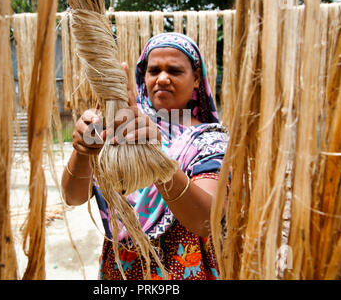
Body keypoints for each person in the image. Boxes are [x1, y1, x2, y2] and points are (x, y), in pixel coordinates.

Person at [61, 32, 228, 280]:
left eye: (174, 70)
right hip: (120, 271)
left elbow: (206, 220)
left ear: (196, 79)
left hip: (184, 272)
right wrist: (83, 151)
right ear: (143, 76)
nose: (162, 78)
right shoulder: (125, 127)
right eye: (154, 70)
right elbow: (73, 198)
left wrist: (155, 156)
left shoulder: (209, 139)